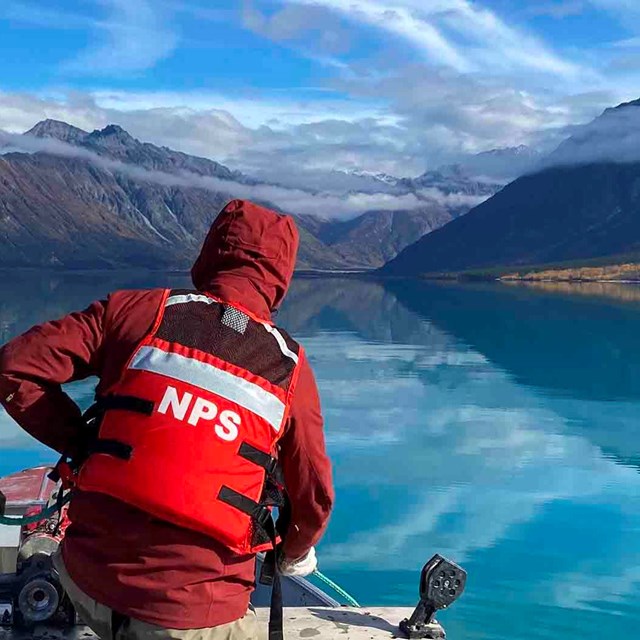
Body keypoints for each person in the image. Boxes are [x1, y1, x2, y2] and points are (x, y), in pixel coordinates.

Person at [0, 199, 335, 640]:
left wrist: (85, 446)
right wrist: (292, 553)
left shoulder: (140, 311)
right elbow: (314, 501)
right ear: (282, 277)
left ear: (211, 251)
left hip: (87, 585)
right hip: (195, 615)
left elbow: (15, 367)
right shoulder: (289, 368)